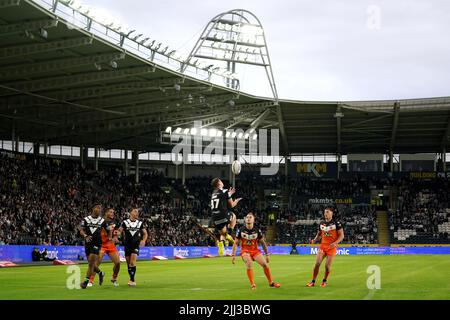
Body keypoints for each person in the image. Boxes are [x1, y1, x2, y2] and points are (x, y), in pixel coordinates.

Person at [231, 212, 281, 290]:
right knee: (249, 263)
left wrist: (267, 254)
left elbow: (263, 243)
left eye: (250, 217)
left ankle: (271, 283)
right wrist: (233, 255)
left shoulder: (257, 230)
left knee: (265, 265)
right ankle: (253, 284)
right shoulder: (240, 230)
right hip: (245, 251)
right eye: (247, 217)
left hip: (255, 251)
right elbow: (235, 243)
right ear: (245, 219)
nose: (248, 218)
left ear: (253, 220)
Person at [306, 207, 344, 287]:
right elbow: (319, 235)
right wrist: (314, 240)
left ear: (331, 213)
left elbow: (342, 235)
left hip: (331, 247)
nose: (325, 214)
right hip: (323, 246)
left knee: (327, 266)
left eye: (327, 212)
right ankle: (313, 281)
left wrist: (335, 243)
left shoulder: (336, 223)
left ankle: (324, 281)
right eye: (325, 212)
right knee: (317, 264)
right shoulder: (321, 223)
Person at [210, 178, 242, 256]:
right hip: (223, 215)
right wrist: (236, 201)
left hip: (214, 218)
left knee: (222, 233)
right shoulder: (225, 191)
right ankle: (229, 234)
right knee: (234, 216)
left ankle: (221, 245)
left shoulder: (213, 193)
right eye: (221, 181)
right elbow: (232, 205)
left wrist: (229, 194)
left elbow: (221, 197)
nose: (222, 181)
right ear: (219, 183)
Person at [89, 208, 121, 287]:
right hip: (101, 244)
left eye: (113, 212)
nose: (112, 213)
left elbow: (117, 232)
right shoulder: (100, 221)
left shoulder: (115, 222)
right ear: (106, 213)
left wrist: (117, 235)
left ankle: (114, 278)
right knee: (97, 262)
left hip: (110, 244)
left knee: (117, 263)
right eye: (110, 212)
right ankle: (91, 280)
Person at [79, 204, 106, 289]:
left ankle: (85, 282)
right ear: (93, 208)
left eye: (100, 208)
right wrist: (85, 236)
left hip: (97, 244)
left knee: (91, 263)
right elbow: (81, 229)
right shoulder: (86, 219)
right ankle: (100, 273)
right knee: (92, 264)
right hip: (88, 243)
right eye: (98, 208)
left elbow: (107, 230)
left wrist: (111, 236)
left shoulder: (102, 220)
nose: (99, 209)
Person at [118, 207, 148, 286]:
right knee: (129, 264)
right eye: (135, 211)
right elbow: (119, 231)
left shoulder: (140, 223)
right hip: (127, 245)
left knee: (132, 262)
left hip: (135, 245)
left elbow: (145, 233)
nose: (137, 213)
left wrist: (143, 240)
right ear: (130, 213)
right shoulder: (125, 222)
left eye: (137, 212)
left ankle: (132, 280)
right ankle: (131, 279)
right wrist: (117, 234)